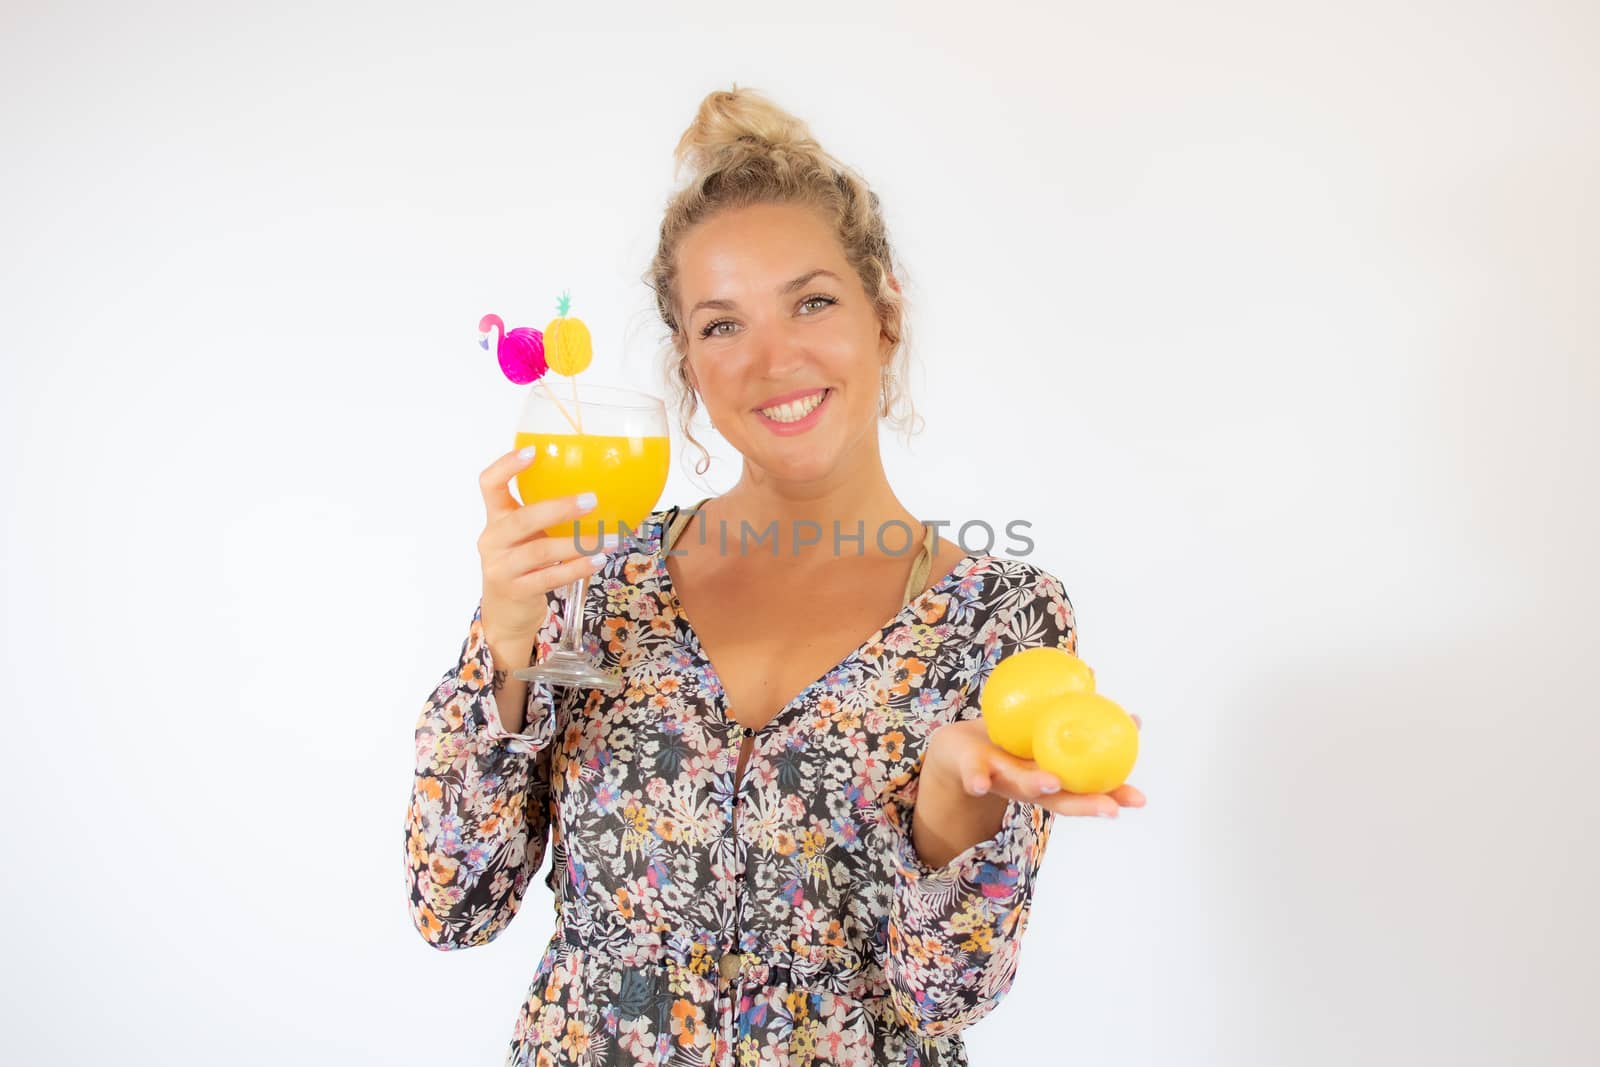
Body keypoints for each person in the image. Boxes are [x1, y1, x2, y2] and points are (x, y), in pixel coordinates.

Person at [405, 84, 1146, 1067]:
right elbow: (453, 905)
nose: (773, 359)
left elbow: (943, 996)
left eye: (812, 301)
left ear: (883, 313)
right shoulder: (596, 578)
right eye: (721, 325)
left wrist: (954, 802)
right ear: (686, 362)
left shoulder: (999, 615)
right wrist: (502, 643)